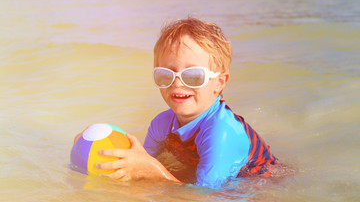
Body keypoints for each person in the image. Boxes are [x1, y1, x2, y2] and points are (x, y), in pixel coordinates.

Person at [96, 17, 278, 188]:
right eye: (165, 74)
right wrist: (100, 146)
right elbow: (141, 162)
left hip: (257, 183)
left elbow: (204, 198)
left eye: (193, 76)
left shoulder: (221, 133)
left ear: (220, 82)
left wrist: (154, 172)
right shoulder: (161, 124)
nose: (177, 83)